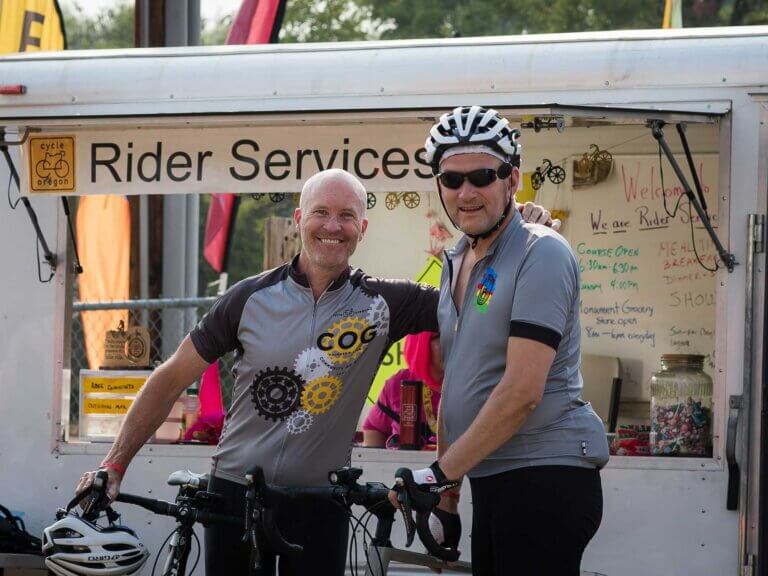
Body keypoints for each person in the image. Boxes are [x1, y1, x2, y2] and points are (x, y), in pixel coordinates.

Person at [75, 168, 555, 576]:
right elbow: (169, 378)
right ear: (300, 220)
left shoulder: (386, 303)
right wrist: (114, 464)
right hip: (233, 499)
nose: (334, 226)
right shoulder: (248, 298)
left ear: (362, 228)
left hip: (322, 502)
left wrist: (519, 233)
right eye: (322, 213)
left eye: (347, 216)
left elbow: (475, 298)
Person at [409, 106, 610, 576]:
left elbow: (522, 392)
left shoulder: (541, 252)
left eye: (482, 176)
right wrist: (447, 498)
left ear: (512, 178)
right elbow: (459, 384)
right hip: (492, 475)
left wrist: (439, 474)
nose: (466, 192)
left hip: (546, 475)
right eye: (452, 179)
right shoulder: (456, 258)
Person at [362, 331, 442, 448]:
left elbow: (479, 312)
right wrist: (380, 464)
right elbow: (374, 428)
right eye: (440, 336)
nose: (451, 342)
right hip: (409, 465)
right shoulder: (399, 383)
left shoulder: (474, 381)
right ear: (420, 343)